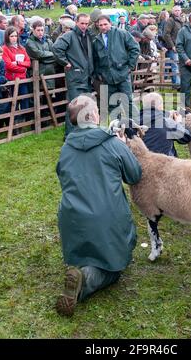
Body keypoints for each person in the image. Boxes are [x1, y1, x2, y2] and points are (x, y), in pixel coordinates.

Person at [56, 94, 142, 316]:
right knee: (114, 267)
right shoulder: (113, 144)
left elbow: (61, 174)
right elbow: (134, 175)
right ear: (94, 115)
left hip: (72, 221)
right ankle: (85, 280)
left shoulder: (66, 147)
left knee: (87, 251)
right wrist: (124, 148)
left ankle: (81, 266)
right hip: (107, 221)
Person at [52, 13, 94, 136]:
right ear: (76, 22)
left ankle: (82, 132)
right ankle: (69, 135)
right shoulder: (69, 35)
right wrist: (65, 62)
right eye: (82, 23)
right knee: (74, 105)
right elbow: (56, 48)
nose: (84, 26)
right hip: (75, 77)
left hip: (87, 77)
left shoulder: (88, 36)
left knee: (85, 106)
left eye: (87, 23)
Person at [92, 15, 140, 119]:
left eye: (105, 24)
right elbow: (95, 59)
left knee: (128, 101)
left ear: (110, 23)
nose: (103, 27)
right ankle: (118, 128)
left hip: (122, 73)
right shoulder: (96, 41)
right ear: (97, 25)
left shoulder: (121, 33)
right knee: (112, 104)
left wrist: (129, 66)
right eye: (101, 25)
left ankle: (136, 126)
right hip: (107, 77)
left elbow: (135, 48)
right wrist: (99, 73)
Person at [2, 26, 31, 126]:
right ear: (7, 37)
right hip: (12, 79)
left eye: (16, 35)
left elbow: (28, 62)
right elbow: (8, 65)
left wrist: (18, 63)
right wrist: (23, 68)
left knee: (24, 99)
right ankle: (13, 122)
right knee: (13, 102)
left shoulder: (21, 48)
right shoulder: (4, 49)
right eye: (12, 36)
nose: (14, 38)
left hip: (22, 79)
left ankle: (23, 121)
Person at [26, 20, 56, 90]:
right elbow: (38, 54)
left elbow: (55, 53)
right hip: (38, 73)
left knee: (51, 96)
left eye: (42, 30)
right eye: (38, 30)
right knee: (39, 96)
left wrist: (45, 59)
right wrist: (51, 56)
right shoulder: (30, 42)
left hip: (50, 72)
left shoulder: (48, 40)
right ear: (33, 30)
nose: (40, 32)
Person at [163, 5, 184, 88]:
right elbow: (166, 34)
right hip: (174, 47)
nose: (177, 12)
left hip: (181, 46)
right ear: (172, 12)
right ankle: (177, 85)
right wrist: (172, 46)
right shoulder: (170, 20)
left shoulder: (181, 20)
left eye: (179, 10)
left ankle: (178, 83)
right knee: (174, 65)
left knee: (179, 65)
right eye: (175, 10)